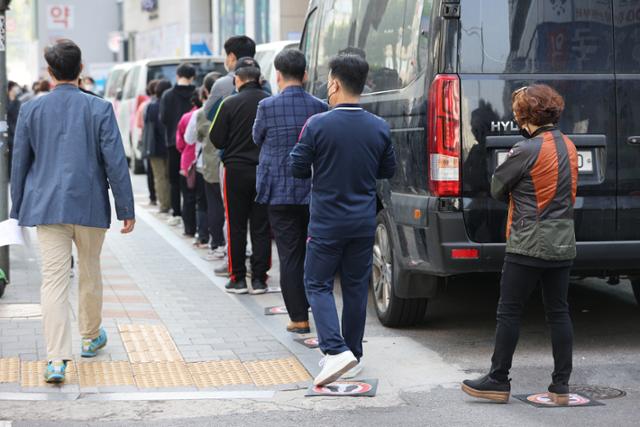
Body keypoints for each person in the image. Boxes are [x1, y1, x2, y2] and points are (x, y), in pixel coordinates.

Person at [10, 39, 135, 383]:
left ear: (49, 72)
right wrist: (125, 207)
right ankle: (90, 337)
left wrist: (16, 209)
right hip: (90, 204)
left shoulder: (31, 110)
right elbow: (115, 162)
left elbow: (20, 163)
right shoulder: (99, 108)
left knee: (52, 280)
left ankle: (55, 360)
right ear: (81, 69)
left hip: (46, 208)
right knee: (90, 270)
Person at [461, 85, 578, 405]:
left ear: (524, 116)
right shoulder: (569, 145)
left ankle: (498, 379)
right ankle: (561, 387)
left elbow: (497, 187)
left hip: (527, 241)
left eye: (516, 113)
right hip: (563, 241)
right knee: (559, 312)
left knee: (509, 311)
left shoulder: (525, 149)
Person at [290, 54, 396, 386]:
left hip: (326, 222)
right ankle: (353, 353)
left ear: (334, 84)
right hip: (363, 220)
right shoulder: (379, 127)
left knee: (317, 283)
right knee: (354, 287)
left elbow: (296, 167)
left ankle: (335, 352)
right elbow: (387, 171)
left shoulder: (318, 124)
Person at [252, 49, 327, 334]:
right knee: (314, 251)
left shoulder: (266, 107)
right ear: (306, 74)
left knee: (289, 254)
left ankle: (299, 318)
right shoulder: (320, 106)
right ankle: (318, 310)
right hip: (312, 190)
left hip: (278, 191)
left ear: (278, 75)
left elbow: (256, 137)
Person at [209, 57, 271, 295]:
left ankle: (237, 279)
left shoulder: (228, 103)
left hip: (235, 171)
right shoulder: (268, 101)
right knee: (261, 226)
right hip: (263, 171)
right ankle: (259, 279)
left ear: (238, 80)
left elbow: (217, 139)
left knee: (236, 225)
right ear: (258, 80)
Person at [185, 73, 226, 259]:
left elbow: (189, 138)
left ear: (206, 90)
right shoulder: (230, 105)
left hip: (208, 166)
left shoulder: (200, 114)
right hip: (229, 164)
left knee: (213, 205)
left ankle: (216, 243)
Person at [160, 63, 197, 226]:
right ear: (193, 77)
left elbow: (164, 119)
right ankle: (192, 215)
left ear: (177, 76)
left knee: (174, 179)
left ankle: (176, 213)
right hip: (193, 144)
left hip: (172, 141)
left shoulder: (167, 95)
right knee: (192, 179)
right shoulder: (196, 93)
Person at [175, 91, 203, 240]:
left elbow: (180, 142)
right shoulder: (207, 114)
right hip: (202, 163)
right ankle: (203, 230)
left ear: (192, 102)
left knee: (188, 197)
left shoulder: (186, 117)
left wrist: (185, 151)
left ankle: (189, 229)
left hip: (187, 162)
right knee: (203, 200)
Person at [144, 79, 172, 214]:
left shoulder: (152, 106)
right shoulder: (172, 104)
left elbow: (148, 127)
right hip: (171, 145)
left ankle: (164, 205)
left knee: (160, 177)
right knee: (170, 176)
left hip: (155, 146)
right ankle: (172, 203)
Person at [137, 80, 159, 206]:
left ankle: (153, 197)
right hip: (161, 141)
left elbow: (139, 124)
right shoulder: (162, 103)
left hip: (147, 140)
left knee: (150, 171)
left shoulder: (144, 106)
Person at [7, 81, 21, 179]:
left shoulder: (17, 101)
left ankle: (11, 175)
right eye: (14, 88)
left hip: (14, 131)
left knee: (12, 155)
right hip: (7, 131)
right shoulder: (5, 100)